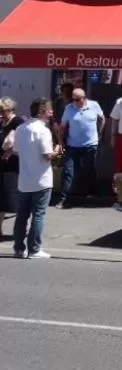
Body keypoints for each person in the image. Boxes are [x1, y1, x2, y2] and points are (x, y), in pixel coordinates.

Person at [12, 97, 59, 259]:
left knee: (22, 214)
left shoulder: (20, 128)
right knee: (38, 214)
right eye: (49, 109)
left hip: (24, 179)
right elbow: (47, 155)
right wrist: (57, 151)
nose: (52, 112)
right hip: (41, 179)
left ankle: (19, 248)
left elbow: (16, 151)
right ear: (42, 111)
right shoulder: (43, 130)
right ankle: (34, 249)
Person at [56, 88, 105, 208]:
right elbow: (62, 126)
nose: (74, 102)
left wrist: (99, 134)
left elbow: (102, 119)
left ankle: (90, 194)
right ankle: (63, 199)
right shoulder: (69, 108)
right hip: (73, 146)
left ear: (84, 98)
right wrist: (60, 141)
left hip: (90, 145)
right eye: (73, 99)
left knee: (89, 170)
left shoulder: (94, 105)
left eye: (77, 99)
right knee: (68, 171)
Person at [0, 98, 24, 238]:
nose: (2, 114)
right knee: (1, 199)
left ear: (11, 110)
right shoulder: (1, 122)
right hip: (2, 165)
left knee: (14, 199)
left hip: (14, 166)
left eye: (4, 111)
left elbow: (10, 144)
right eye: (0, 111)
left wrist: (9, 149)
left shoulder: (18, 122)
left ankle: (22, 229)